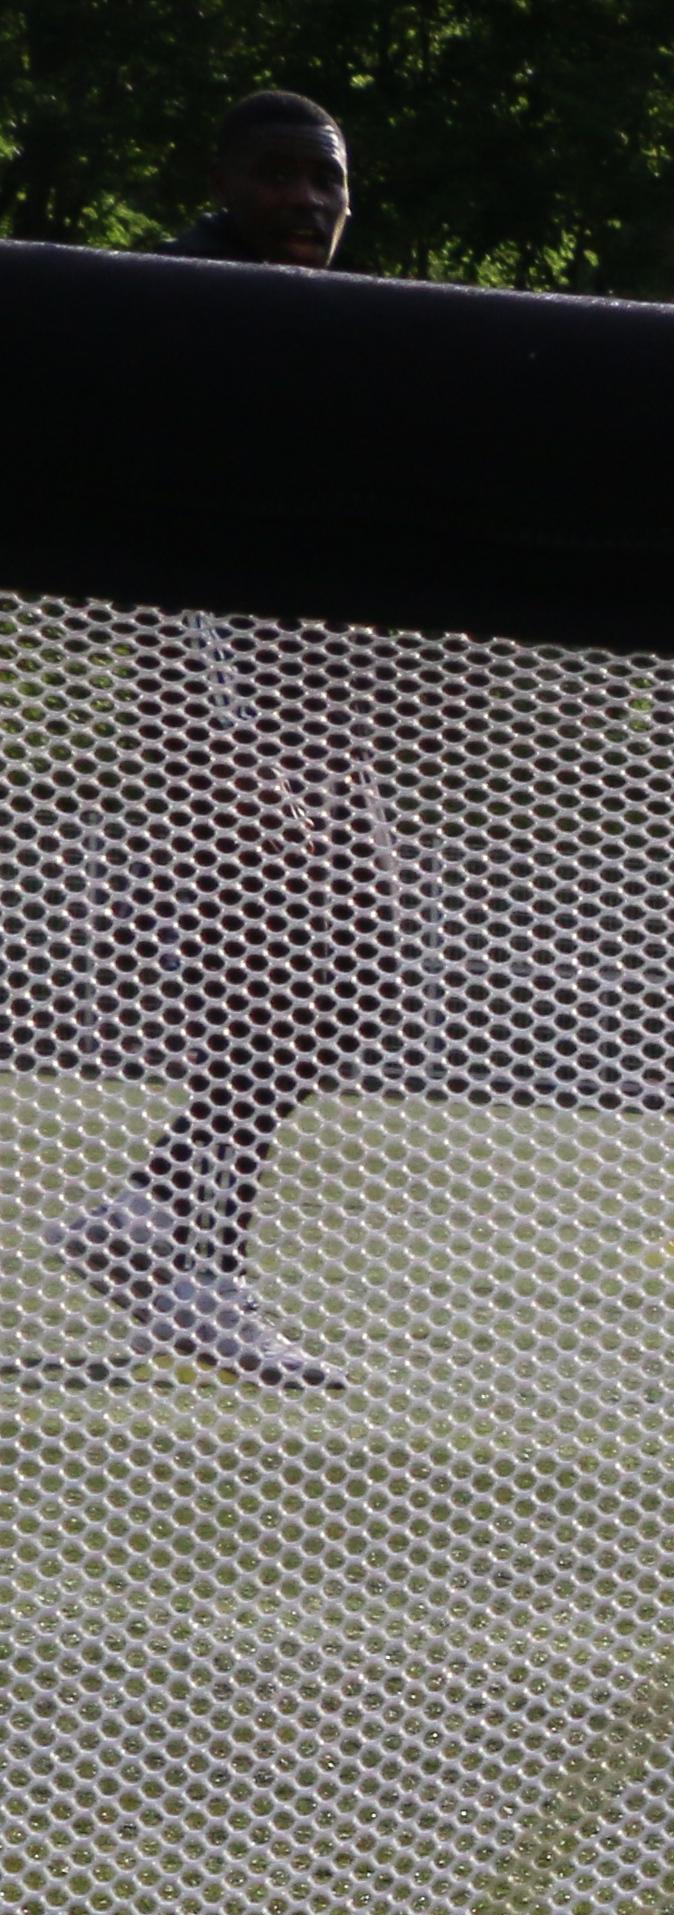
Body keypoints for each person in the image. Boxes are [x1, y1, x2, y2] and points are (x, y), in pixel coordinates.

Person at [49, 92, 372, 1389]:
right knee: (278, 969)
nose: (307, 203)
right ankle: (205, 1274)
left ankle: (148, 1216)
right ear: (224, 181)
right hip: (220, 695)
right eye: (279, 179)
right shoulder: (190, 297)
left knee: (360, 966)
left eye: (330, 184)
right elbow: (166, 533)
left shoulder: (326, 315)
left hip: (311, 697)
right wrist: (236, 738)